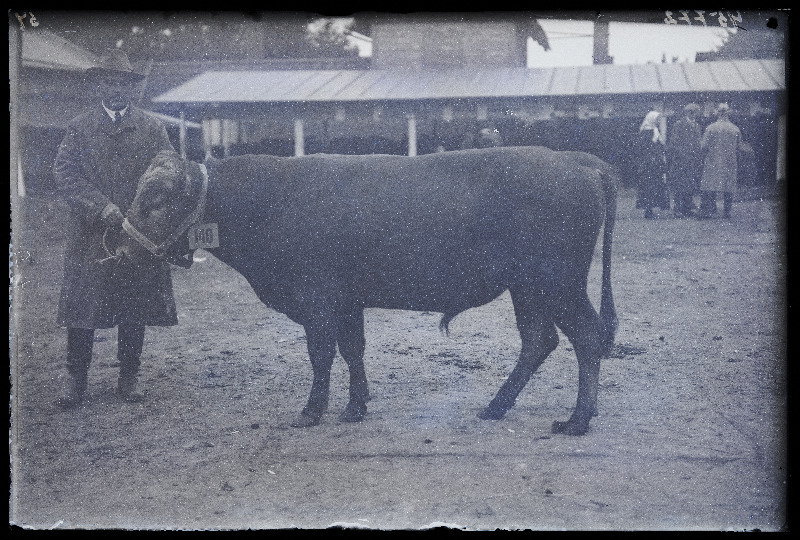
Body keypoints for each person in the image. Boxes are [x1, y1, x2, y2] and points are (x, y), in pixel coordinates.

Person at [53, 49, 177, 408]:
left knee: (133, 303)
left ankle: (129, 375)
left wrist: (145, 209)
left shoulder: (153, 127)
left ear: (132, 88)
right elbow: (65, 174)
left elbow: (167, 167)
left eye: (124, 83)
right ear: (99, 86)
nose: (117, 89)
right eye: (110, 82)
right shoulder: (79, 126)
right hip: (89, 235)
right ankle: (75, 379)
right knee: (83, 307)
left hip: (136, 234)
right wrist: (100, 206)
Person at [698, 103, 743, 219]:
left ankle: (707, 211)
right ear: (728, 113)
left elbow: (703, 145)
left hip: (713, 160)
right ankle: (726, 212)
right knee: (728, 186)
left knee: (710, 185)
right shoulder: (735, 129)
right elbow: (739, 146)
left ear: (717, 113)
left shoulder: (710, 128)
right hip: (729, 161)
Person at [666, 104, 703, 217]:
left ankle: (687, 208)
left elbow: (698, 142)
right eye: (694, 112)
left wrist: (696, 155)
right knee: (680, 185)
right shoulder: (679, 124)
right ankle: (678, 210)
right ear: (689, 112)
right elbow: (674, 141)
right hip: (680, 160)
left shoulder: (696, 125)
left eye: (696, 112)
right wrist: (682, 154)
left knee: (690, 185)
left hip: (692, 160)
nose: (695, 115)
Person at [634, 111, 669, 219]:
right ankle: (648, 210)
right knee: (649, 187)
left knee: (655, 186)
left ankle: (652, 208)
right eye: (657, 119)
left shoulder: (655, 131)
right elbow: (642, 149)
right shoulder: (646, 132)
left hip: (655, 165)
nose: (658, 121)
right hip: (648, 165)